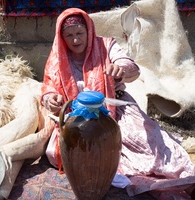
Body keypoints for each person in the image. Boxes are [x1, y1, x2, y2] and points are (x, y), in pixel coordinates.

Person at [41, 7, 195, 200]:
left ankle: (174, 181)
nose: (75, 40)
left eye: (80, 33)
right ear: (61, 37)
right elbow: (48, 87)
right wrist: (51, 99)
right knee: (63, 154)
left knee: (145, 145)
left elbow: (131, 67)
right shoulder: (58, 57)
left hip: (116, 108)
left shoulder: (106, 45)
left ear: (89, 30)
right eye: (69, 35)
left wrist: (120, 69)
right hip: (77, 116)